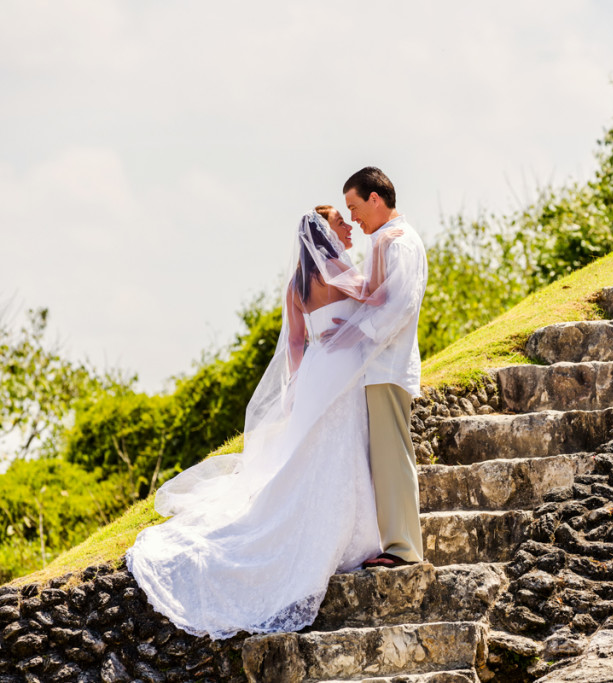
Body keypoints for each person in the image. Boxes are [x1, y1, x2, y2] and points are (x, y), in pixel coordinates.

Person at [126, 208, 401, 640]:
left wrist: (296, 386)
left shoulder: (296, 283)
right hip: (342, 370)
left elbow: (294, 341)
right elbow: (377, 296)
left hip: (314, 371)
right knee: (342, 446)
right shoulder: (341, 270)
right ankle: (352, 533)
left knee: (312, 449)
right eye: (341, 224)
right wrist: (384, 247)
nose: (348, 228)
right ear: (327, 235)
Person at [335, 167, 428, 569]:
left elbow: (401, 305)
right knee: (384, 457)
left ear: (375, 199)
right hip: (379, 367)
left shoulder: (401, 243)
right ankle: (394, 542)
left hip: (388, 365)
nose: (354, 217)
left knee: (393, 457)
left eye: (355, 207)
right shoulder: (387, 242)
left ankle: (404, 549)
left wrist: (357, 333)